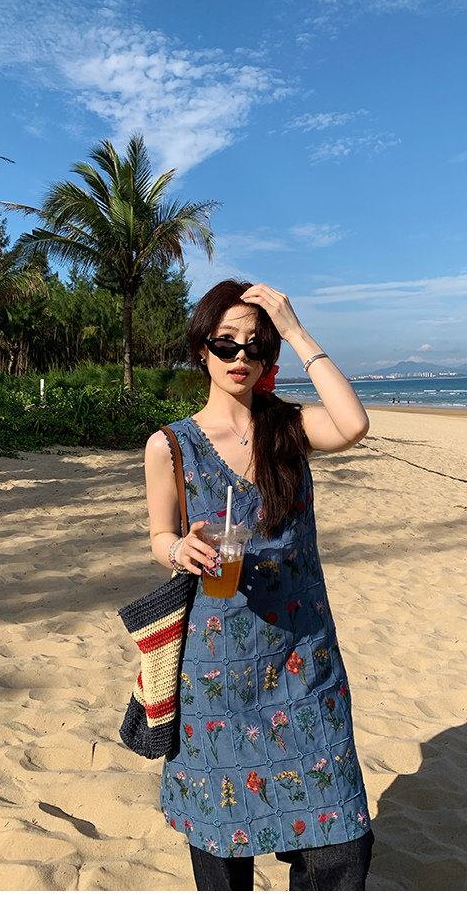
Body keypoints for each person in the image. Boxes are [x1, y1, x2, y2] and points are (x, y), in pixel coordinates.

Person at [145, 280, 374, 891]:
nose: (240, 356)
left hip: (304, 657)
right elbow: (159, 536)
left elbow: (354, 423)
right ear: (202, 349)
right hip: (216, 666)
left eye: (255, 344)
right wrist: (180, 549)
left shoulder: (289, 428)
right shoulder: (170, 445)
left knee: (339, 841)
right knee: (221, 838)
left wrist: (294, 330)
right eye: (226, 343)